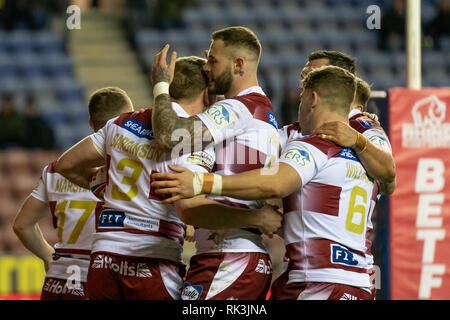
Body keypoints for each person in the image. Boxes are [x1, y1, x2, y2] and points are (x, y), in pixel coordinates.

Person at [55, 56, 281, 300]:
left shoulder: (120, 123)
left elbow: (66, 165)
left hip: (103, 257)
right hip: (152, 259)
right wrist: (256, 217)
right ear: (207, 94)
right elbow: (189, 209)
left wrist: (103, 186)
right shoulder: (191, 139)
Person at [151, 66, 377, 300]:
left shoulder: (310, 146)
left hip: (316, 282)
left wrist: (202, 182)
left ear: (313, 98)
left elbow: (273, 184)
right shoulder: (368, 156)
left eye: (301, 97)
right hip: (357, 281)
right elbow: (389, 179)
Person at [150, 26, 280, 300]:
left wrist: (161, 85)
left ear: (238, 64)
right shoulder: (261, 110)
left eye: (213, 61)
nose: (207, 67)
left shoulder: (237, 108)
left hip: (228, 257)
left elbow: (168, 135)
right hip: (240, 256)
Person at [13, 86, 133, 300]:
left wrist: (49, 256)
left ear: (90, 123)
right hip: (104, 282)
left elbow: (22, 225)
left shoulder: (55, 171)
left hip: (58, 283)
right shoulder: (130, 172)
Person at [279, 50, 396, 195]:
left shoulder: (363, 126)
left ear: (338, 79)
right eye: (303, 77)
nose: (302, 86)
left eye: (311, 76)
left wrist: (358, 142)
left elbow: (389, 182)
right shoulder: (296, 130)